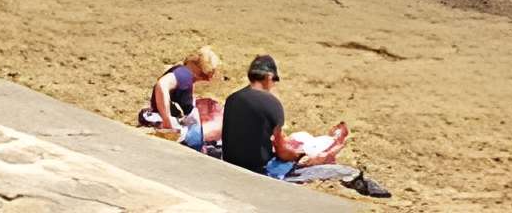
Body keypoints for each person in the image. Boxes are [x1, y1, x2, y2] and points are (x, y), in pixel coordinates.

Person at [219, 55, 388, 195]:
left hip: (228, 161)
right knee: (329, 167)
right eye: (274, 80)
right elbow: (282, 151)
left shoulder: (232, 98)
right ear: (269, 77)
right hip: (257, 170)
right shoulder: (272, 104)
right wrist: (298, 156)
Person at [140, 45, 222, 148]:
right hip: (173, 126)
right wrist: (167, 120)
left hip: (175, 122)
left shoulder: (183, 72)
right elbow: (162, 85)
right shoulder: (184, 74)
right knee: (218, 125)